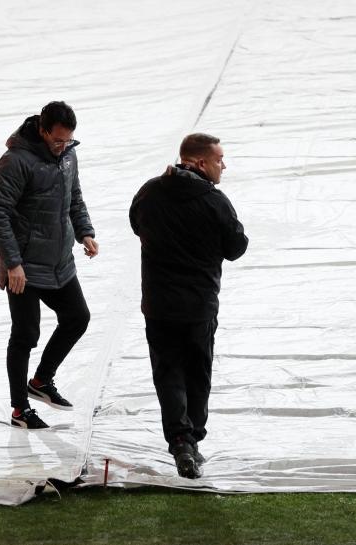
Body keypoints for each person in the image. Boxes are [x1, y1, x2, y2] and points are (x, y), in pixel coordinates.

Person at [129, 133, 248, 478]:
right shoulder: (215, 201)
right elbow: (236, 247)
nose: (223, 165)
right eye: (219, 159)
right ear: (199, 162)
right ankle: (192, 440)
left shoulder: (149, 191)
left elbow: (136, 225)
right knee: (198, 374)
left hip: (158, 303)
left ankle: (179, 440)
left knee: (168, 374)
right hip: (199, 305)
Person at [0, 101, 99, 429]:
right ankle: (20, 410)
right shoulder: (16, 162)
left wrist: (84, 231)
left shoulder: (68, 156)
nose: (62, 147)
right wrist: (13, 264)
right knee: (25, 335)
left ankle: (41, 381)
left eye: (68, 141)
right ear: (42, 130)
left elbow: (74, 197)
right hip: (23, 266)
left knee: (77, 317)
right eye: (57, 141)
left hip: (59, 259)